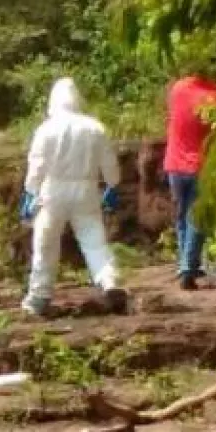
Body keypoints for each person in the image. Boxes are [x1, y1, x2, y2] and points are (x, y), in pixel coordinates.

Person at [20, 77, 126, 316]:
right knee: (94, 240)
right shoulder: (94, 127)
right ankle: (109, 282)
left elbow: (37, 165)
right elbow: (108, 161)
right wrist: (112, 184)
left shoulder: (46, 129)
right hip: (86, 190)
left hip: (53, 192)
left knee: (46, 243)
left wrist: (30, 192)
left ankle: (39, 296)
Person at [164, 68, 216, 290]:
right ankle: (188, 268)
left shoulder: (178, 89)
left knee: (182, 216)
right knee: (196, 219)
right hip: (199, 166)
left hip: (173, 165)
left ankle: (185, 264)